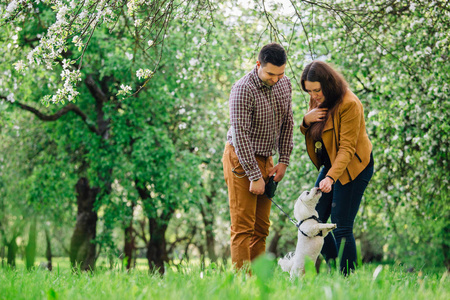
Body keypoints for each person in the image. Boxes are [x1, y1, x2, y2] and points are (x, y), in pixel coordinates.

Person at [222, 43, 294, 270]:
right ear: (258, 65)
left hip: (267, 159)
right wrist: (254, 175)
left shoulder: (284, 84)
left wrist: (284, 161)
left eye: (280, 73)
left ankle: (257, 283)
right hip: (241, 159)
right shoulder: (242, 89)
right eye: (270, 74)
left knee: (262, 228)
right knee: (243, 227)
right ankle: (241, 282)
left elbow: (288, 123)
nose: (275, 79)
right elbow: (240, 134)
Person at [300, 60, 374, 275]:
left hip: (354, 166)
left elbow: (348, 149)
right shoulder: (319, 99)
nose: (313, 95)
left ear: (328, 83)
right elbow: (313, 133)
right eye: (309, 91)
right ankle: (335, 268)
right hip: (333, 162)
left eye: (316, 90)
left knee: (341, 225)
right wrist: (306, 121)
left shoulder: (350, 103)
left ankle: (348, 277)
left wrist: (330, 178)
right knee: (315, 222)